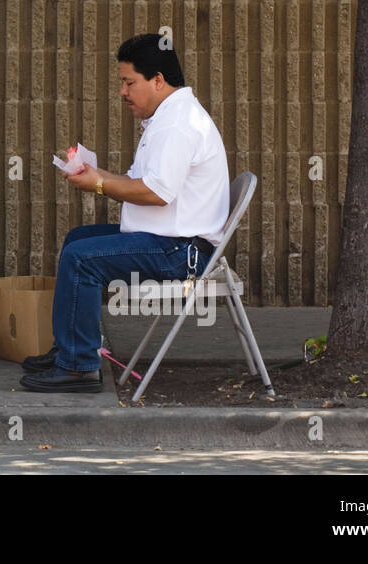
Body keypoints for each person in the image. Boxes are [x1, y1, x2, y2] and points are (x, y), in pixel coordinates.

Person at [19, 33, 230, 392]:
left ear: (158, 81)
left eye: (129, 82)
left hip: (182, 254)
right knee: (77, 241)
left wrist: (99, 184)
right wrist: (97, 175)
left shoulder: (179, 125)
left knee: (81, 259)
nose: (123, 92)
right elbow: (143, 183)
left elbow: (155, 192)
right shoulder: (169, 117)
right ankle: (69, 349)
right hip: (170, 239)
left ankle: (79, 367)